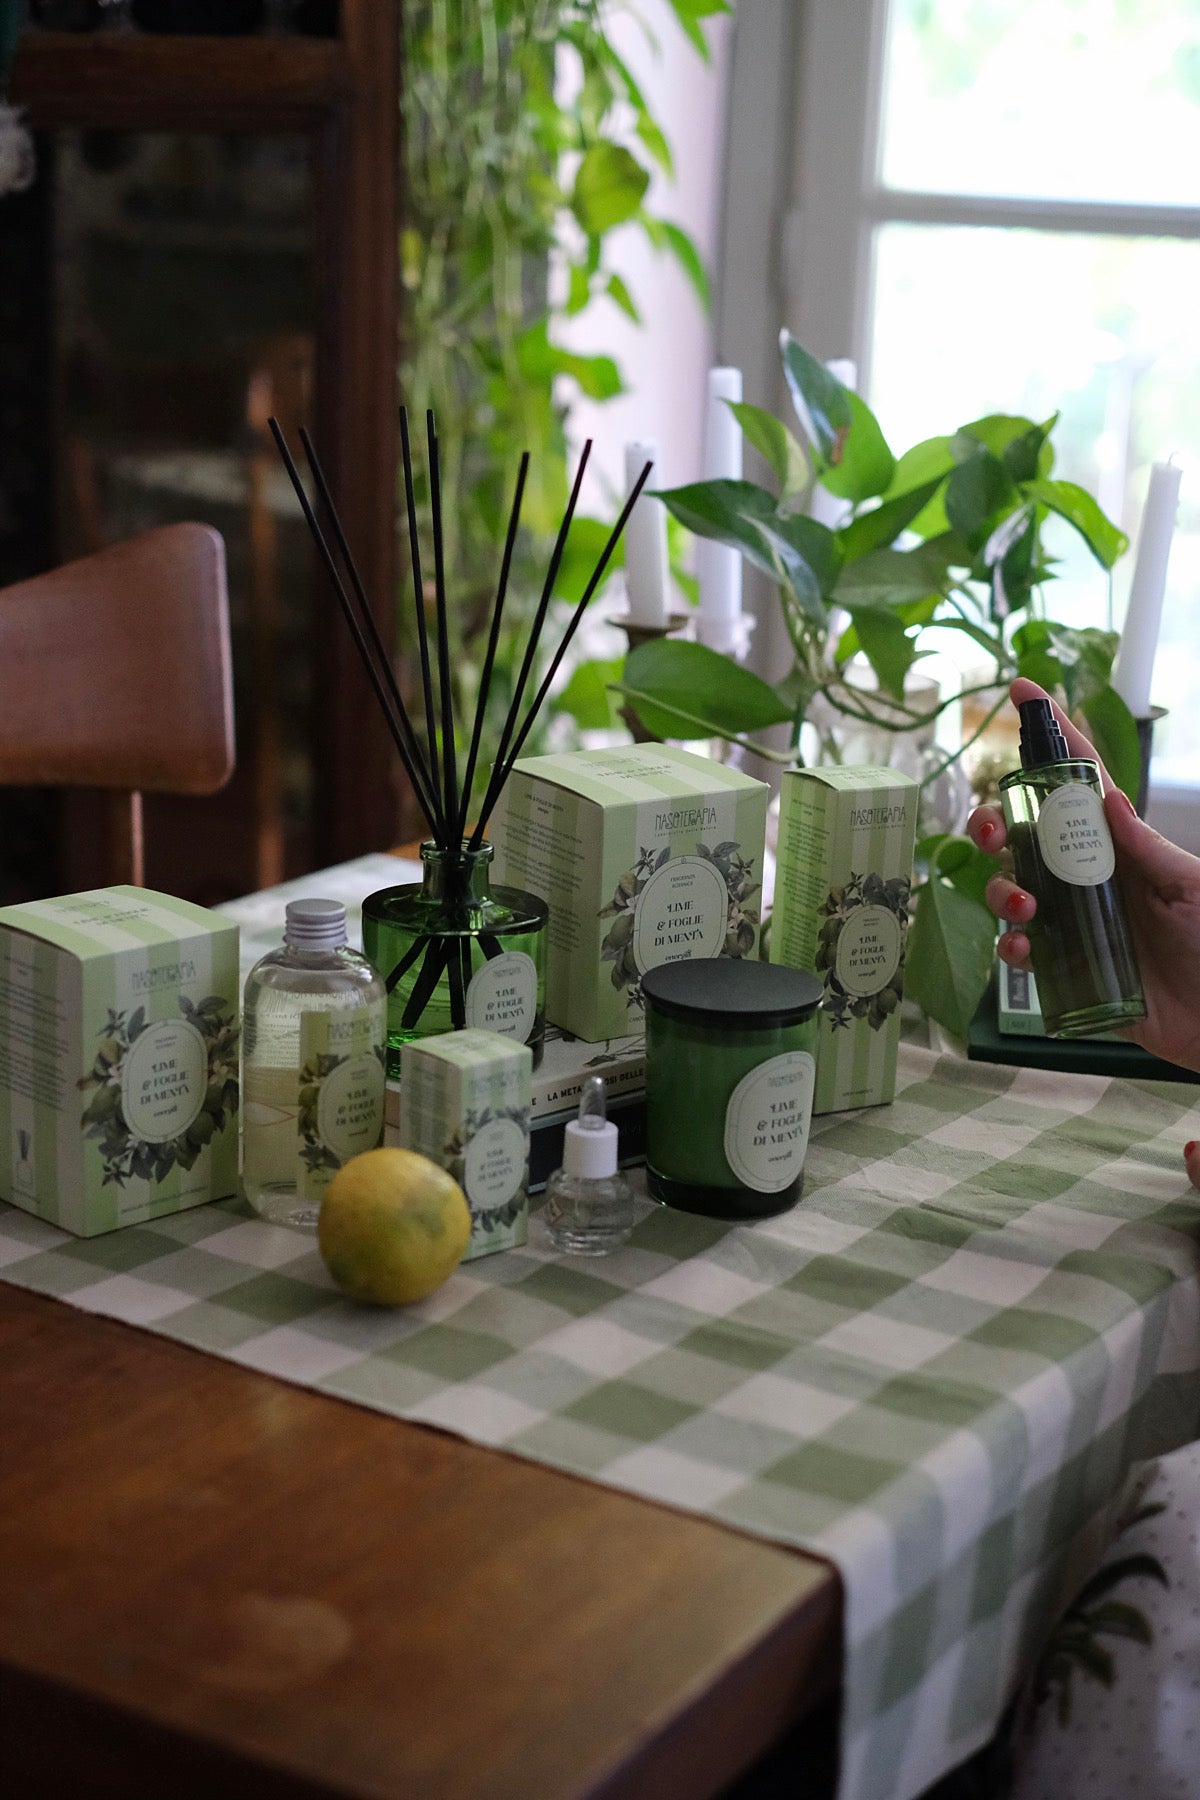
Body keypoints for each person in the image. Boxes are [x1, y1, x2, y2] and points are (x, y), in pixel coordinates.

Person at [967, 678, 1200, 1192]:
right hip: (1118, 991)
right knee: (1023, 899)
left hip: (1134, 979)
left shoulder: (1082, 777)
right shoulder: (1022, 790)